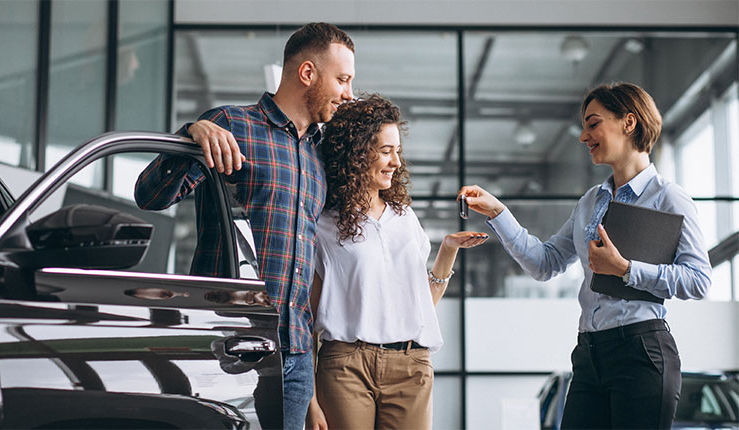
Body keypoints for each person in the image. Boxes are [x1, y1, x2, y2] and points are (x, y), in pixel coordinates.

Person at [134, 22, 355, 430]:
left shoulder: (324, 154)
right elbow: (150, 196)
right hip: (229, 345)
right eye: (342, 79)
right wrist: (188, 136)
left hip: (296, 353)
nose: (349, 93)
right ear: (307, 73)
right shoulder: (230, 126)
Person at [458, 82, 711, 429]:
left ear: (629, 123)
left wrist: (626, 269)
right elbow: (544, 263)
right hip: (589, 355)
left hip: (642, 353)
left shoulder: (669, 198)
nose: (582, 136)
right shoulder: (591, 201)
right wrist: (498, 212)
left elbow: (699, 280)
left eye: (593, 124)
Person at [305, 95, 488, 430]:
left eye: (398, 151)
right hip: (346, 366)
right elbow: (308, 319)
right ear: (357, 153)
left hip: (411, 365)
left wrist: (447, 251)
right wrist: (310, 399)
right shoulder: (324, 225)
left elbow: (421, 306)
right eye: (386, 151)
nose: (396, 162)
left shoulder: (405, 218)